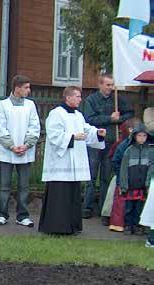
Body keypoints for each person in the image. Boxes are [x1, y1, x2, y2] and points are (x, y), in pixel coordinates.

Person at [39, 86, 106, 235]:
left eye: (80, 96)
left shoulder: (78, 115)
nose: (80, 99)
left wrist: (97, 133)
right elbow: (54, 134)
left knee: (73, 196)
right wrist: (72, 137)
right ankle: (56, 227)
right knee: (59, 196)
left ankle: (71, 226)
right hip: (60, 163)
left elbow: (85, 130)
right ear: (68, 98)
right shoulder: (56, 114)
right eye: (77, 96)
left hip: (74, 164)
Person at [81, 73, 133, 218]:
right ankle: (87, 207)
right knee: (91, 176)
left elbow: (130, 113)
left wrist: (120, 119)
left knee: (106, 177)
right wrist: (110, 118)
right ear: (100, 85)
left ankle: (104, 209)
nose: (110, 88)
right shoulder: (91, 100)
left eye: (112, 85)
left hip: (110, 142)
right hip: (94, 141)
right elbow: (89, 119)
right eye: (108, 85)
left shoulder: (117, 99)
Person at [0, 75, 41, 227]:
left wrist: (26, 145)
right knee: (4, 186)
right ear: (17, 88)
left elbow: (35, 126)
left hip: (25, 151)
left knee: (24, 186)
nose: (28, 90)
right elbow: (0, 128)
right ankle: (2, 214)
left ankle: (23, 215)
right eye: (26, 87)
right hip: (7, 152)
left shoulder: (30, 105)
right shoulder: (4, 105)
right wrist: (12, 146)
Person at [118, 124, 151, 235]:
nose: (142, 138)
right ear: (134, 137)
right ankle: (128, 225)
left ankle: (137, 226)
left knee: (139, 208)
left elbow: (151, 169)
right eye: (139, 135)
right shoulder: (129, 151)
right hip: (130, 186)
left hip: (142, 186)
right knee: (128, 207)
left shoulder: (150, 152)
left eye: (144, 135)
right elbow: (123, 170)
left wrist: (148, 184)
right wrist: (123, 185)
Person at [109, 119, 141, 232]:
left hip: (138, 180)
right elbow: (115, 160)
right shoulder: (123, 145)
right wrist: (121, 174)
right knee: (121, 202)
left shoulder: (144, 146)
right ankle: (119, 224)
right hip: (124, 179)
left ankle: (135, 225)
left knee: (136, 203)